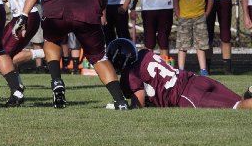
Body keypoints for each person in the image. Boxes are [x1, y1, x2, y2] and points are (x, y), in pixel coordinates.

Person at [107, 38, 252, 109]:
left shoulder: (130, 75)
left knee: (239, 106)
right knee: (240, 100)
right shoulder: (145, 53)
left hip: (187, 94)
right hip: (196, 79)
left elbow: (138, 104)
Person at [173, 0, 213, 73]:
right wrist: (178, 14)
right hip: (184, 18)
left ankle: (203, 69)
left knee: (201, 45)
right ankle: (181, 70)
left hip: (199, 17)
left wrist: (207, 13)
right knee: (183, 45)